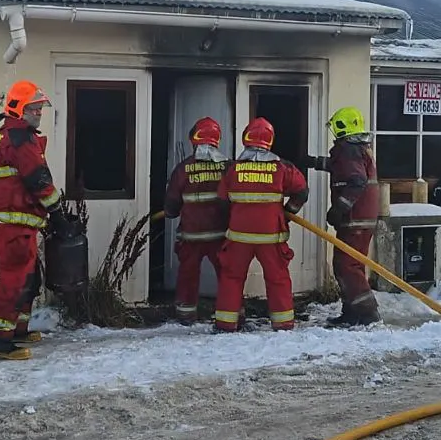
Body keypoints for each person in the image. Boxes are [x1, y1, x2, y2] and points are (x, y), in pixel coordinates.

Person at [0, 80, 71, 361]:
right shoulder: (20, 138)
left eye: (40, 108)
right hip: (13, 221)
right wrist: (57, 213)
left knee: (28, 277)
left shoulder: (9, 133)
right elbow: (38, 180)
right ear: (18, 109)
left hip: (13, 220)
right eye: (34, 108)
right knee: (15, 278)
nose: (38, 113)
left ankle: (17, 329)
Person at [213, 117, 308, 333]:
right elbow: (302, 191)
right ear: (270, 141)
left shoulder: (233, 169)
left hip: (238, 237)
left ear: (246, 139)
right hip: (271, 237)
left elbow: (221, 201)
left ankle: (226, 323)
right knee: (278, 278)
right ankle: (282, 323)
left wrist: (232, 218)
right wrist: (288, 213)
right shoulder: (282, 168)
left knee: (231, 277)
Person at [299, 106, 381, 327]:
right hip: (360, 220)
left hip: (355, 220)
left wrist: (339, 208)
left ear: (342, 127)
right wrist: (311, 162)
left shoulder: (349, 150)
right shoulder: (357, 148)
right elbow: (340, 169)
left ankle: (366, 313)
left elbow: (356, 181)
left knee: (347, 266)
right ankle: (352, 312)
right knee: (350, 265)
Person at [163, 117, 230, 323]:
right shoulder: (227, 168)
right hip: (220, 234)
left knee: (188, 275)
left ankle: (186, 315)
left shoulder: (183, 169)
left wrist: (170, 212)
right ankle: (232, 313)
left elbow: (172, 205)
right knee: (228, 276)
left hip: (191, 236)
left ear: (194, 140)